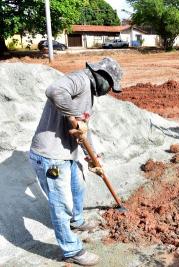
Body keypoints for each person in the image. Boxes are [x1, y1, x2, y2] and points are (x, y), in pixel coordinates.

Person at [29, 57, 123, 266]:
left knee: (78, 187)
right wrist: (75, 117)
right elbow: (54, 90)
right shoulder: (78, 79)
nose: (109, 91)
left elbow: (82, 130)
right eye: (110, 86)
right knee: (61, 204)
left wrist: (92, 156)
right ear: (102, 76)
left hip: (67, 154)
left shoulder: (89, 96)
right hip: (50, 155)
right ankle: (71, 250)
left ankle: (77, 221)